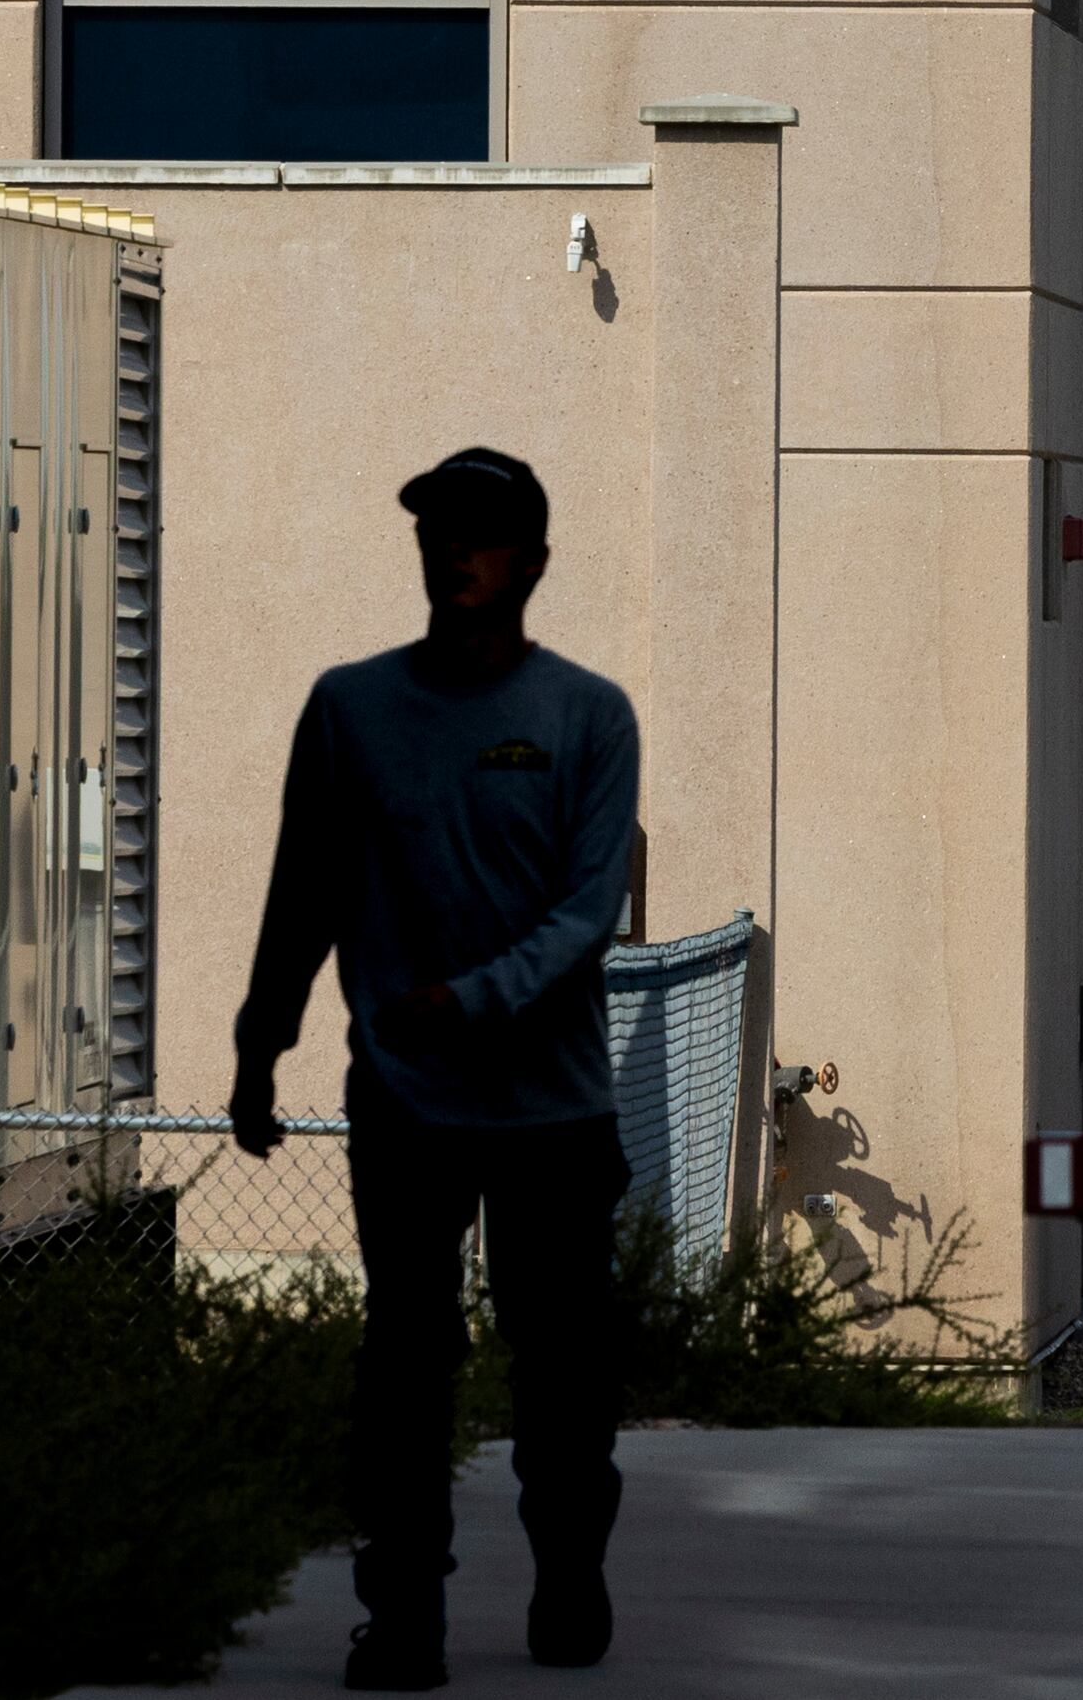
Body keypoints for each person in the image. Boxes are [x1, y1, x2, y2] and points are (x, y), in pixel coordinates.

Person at [234, 448, 644, 1690]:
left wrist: (468, 999)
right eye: (434, 530)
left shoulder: (586, 715)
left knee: (562, 1374)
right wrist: (262, 1040)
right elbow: (301, 883)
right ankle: (402, 1615)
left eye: (476, 533)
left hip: (554, 1116)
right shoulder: (349, 709)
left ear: (531, 562)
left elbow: (586, 915)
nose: (448, 549)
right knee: (405, 1366)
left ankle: (568, 1575)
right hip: (405, 1106)